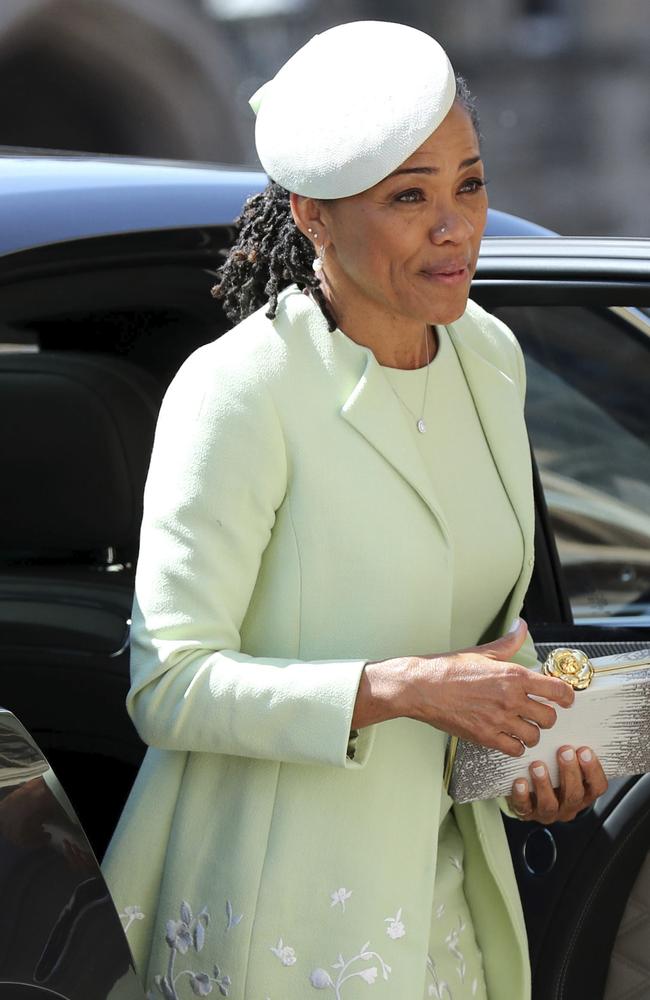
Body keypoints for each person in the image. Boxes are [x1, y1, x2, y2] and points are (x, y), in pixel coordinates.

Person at [103, 20, 608, 1000]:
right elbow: (166, 683)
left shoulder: (489, 358)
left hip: (448, 908)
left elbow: (480, 642)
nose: (454, 225)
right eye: (407, 197)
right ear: (314, 216)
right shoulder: (242, 388)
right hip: (281, 918)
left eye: (468, 183)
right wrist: (394, 687)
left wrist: (531, 755)